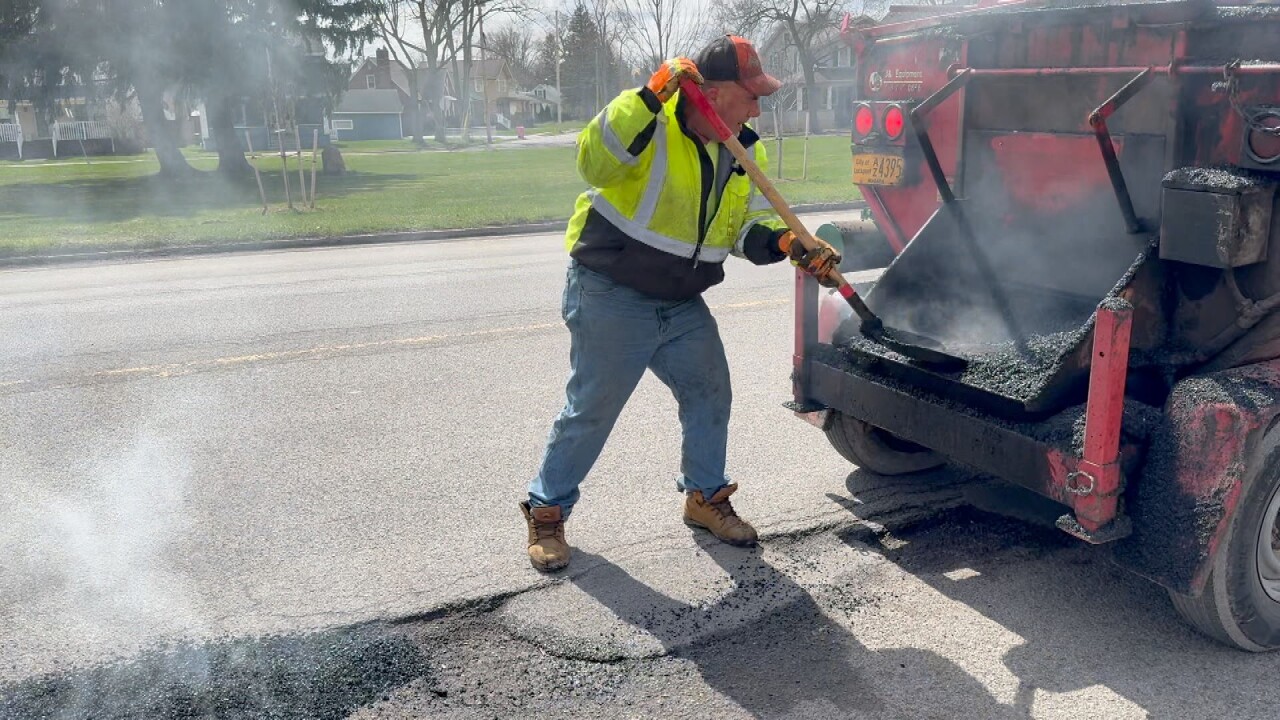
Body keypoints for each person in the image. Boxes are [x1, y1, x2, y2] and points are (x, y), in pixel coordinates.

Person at [520, 35, 842, 572]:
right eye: (750, 94)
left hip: (680, 302)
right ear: (711, 93)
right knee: (593, 410)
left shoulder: (746, 151)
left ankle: (705, 499)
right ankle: (547, 512)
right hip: (611, 293)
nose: (759, 106)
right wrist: (647, 95)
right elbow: (593, 163)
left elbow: (737, 230)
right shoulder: (651, 124)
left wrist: (787, 245)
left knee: (710, 391)